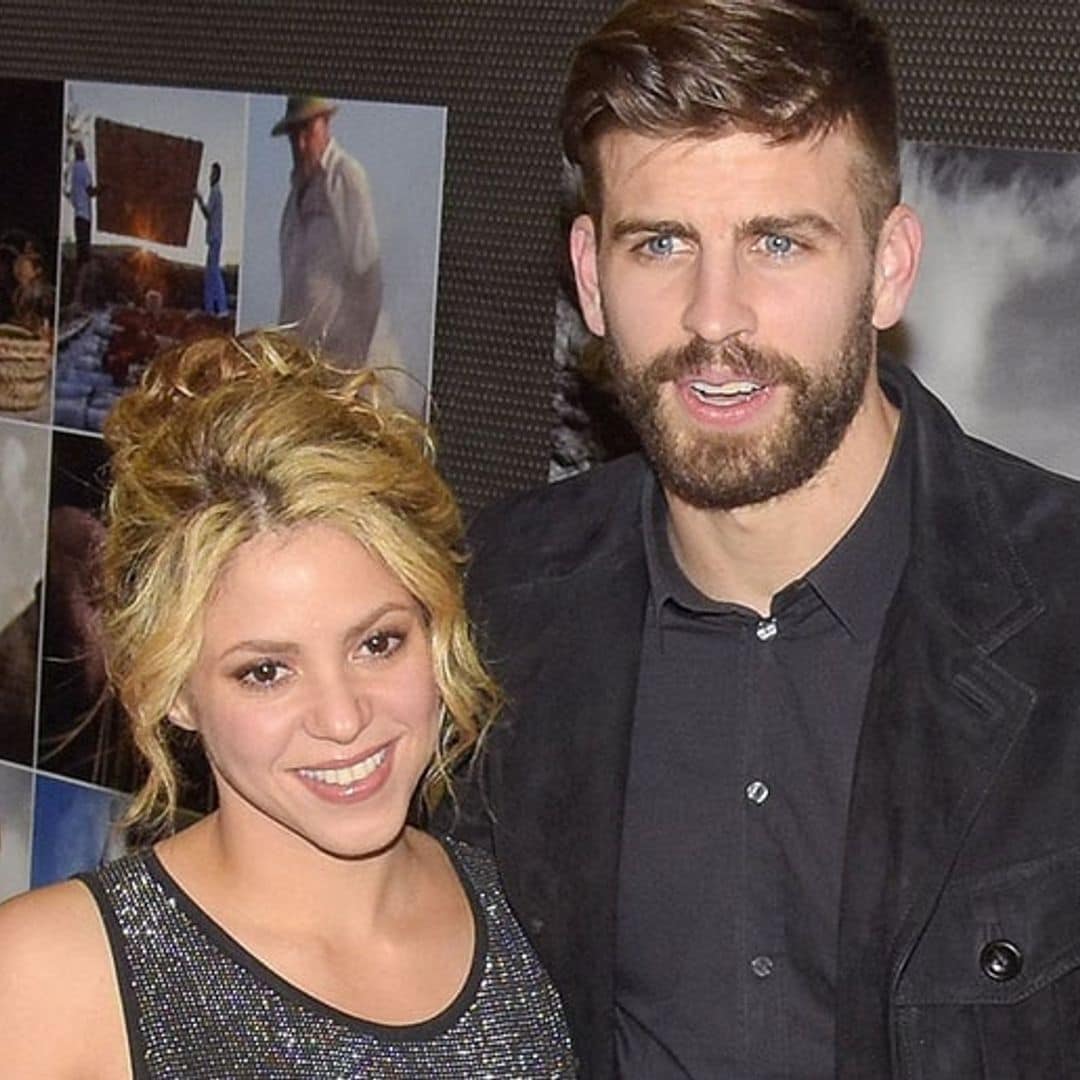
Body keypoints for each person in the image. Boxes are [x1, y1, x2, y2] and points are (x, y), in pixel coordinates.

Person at [449, 1, 1080, 1077]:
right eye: (661, 244)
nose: (714, 318)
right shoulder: (486, 605)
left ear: (889, 266)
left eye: (778, 242)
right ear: (592, 276)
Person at [0, 332, 576, 1077]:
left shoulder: (534, 920)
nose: (342, 719)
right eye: (266, 671)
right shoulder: (50, 977)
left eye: (378, 643)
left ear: (439, 627)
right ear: (174, 691)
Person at [273, 96, 385, 365]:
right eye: (294, 136)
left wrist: (350, 358)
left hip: (336, 355)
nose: (301, 145)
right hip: (296, 357)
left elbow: (369, 272)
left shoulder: (345, 175)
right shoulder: (292, 199)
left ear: (325, 124)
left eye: (307, 131)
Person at [194, 161, 228, 316]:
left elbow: (208, 213)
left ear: (217, 175)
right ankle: (210, 308)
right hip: (214, 237)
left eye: (212, 174)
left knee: (213, 272)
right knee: (210, 272)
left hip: (215, 237)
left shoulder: (215, 192)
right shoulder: (215, 192)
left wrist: (199, 199)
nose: (210, 176)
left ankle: (221, 308)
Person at [68, 141, 98, 269]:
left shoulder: (73, 169)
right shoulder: (83, 168)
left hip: (78, 216)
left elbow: (71, 195)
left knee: (80, 252)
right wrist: (103, 189)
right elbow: (90, 191)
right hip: (85, 216)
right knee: (85, 253)